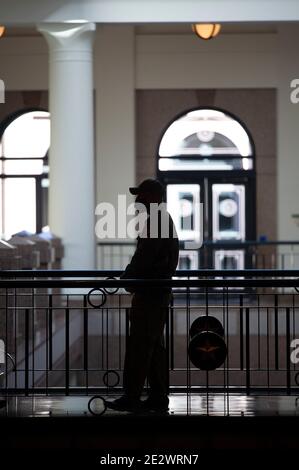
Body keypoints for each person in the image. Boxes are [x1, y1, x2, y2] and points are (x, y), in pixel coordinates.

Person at [106, 178, 179, 412]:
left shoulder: (156, 221)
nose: (137, 200)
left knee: (139, 346)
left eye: (142, 195)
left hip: (149, 294)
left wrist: (127, 279)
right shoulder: (162, 219)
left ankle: (131, 396)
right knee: (154, 347)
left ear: (153, 198)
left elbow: (144, 256)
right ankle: (158, 396)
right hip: (158, 293)